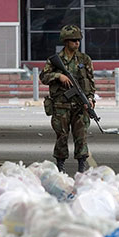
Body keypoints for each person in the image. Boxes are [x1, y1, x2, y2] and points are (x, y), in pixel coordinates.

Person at [39, 24, 96, 173]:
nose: (77, 43)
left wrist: (90, 99)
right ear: (65, 41)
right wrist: (59, 76)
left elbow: (90, 82)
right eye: (73, 40)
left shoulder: (84, 59)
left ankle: (81, 168)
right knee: (61, 137)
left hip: (79, 106)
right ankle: (60, 166)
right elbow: (43, 77)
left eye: (78, 40)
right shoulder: (55, 60)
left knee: (81, 137)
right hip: (61, 105)